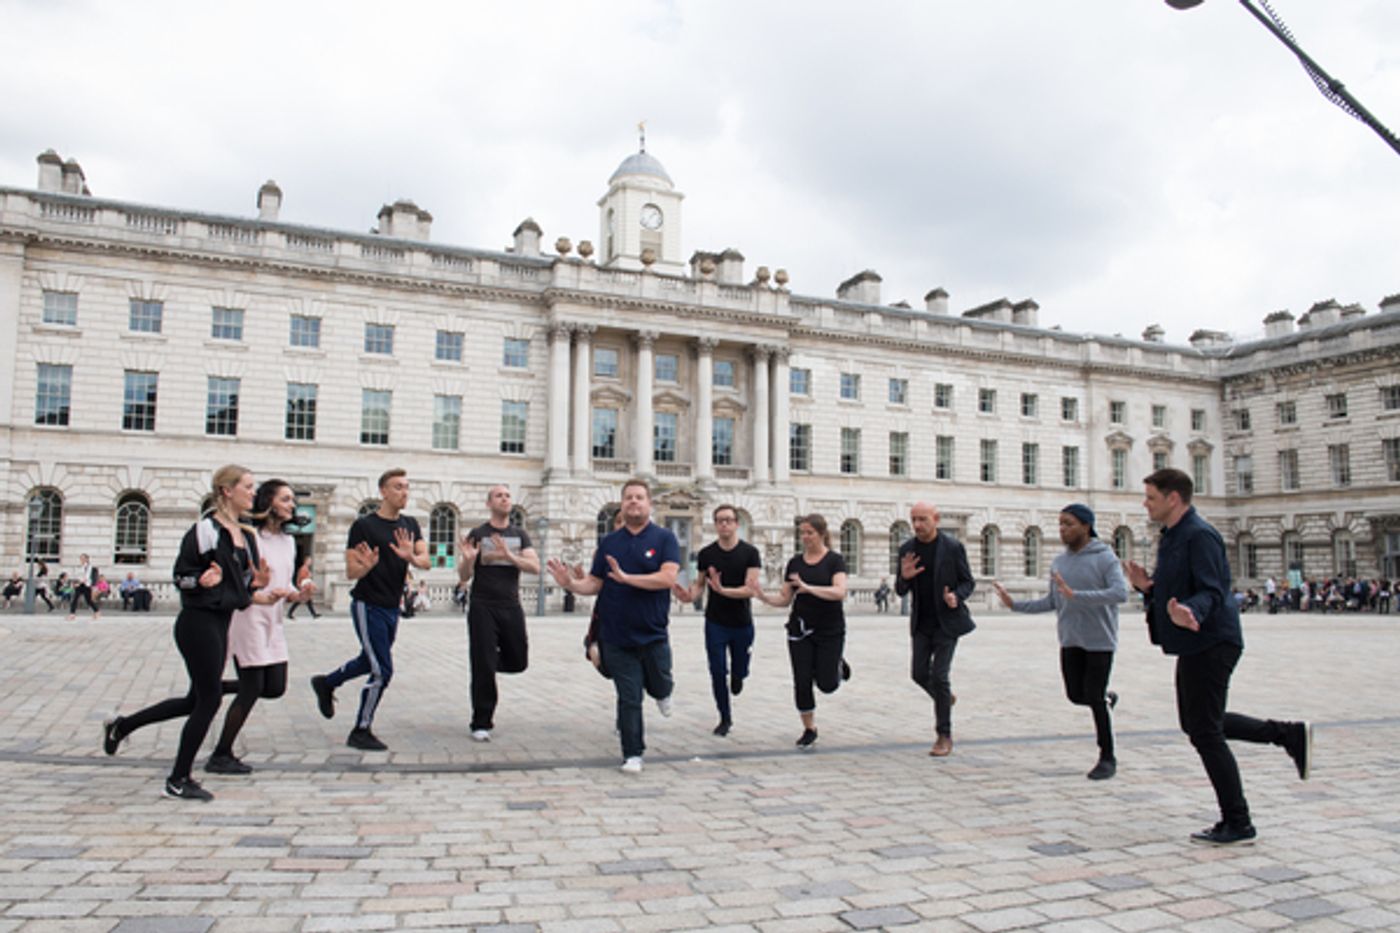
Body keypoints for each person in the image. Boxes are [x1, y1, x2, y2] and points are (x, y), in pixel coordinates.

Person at [1124, 468, 1312, 847]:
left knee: (1204, 730)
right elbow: (1178, 587)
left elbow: (1213, 589)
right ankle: (1287, 734)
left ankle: (1238, 820)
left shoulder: (1199, 535)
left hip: (1212, 640)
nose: (1145, 504)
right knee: (1197, 723)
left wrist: (1192, 611)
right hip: (1195, 641)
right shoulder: (1173, 536)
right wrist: (1149, 588)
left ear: (1173, 498)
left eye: (1151, 497)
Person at [102, 464, 271, 801]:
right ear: (227, 490)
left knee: (194, 700)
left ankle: (122, 726)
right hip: (198, 621)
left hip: (222, 620)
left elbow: (242, 584)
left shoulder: (247, 536)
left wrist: (258, 584)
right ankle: (178, 778)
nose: (253, 493)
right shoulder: (205, 531)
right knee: (207, 700)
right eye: (248, 487)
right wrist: (200, 580)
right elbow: (181, 576)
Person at [547, 479, 679, 774]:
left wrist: (628, 578)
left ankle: (663, 691)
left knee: (661, 683)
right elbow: (595, 583)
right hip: (616, 635)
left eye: (639, 497)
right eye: (629, 497)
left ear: (649, 504)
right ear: (622, 504)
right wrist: (570, 583)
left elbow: (668, 578)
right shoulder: (609, 542)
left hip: (653, 632)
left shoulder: (664, 539)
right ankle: (633, 753)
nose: (634, 502)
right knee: (629, 696)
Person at [993, 504, 1128, 780]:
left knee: (1093, 696)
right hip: (1070, 639)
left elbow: (1119, 593)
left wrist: (1076, 595)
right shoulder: (1060, 562)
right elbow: (1053, 601)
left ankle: (1107, 756)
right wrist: (1014, 604)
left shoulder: (1106, 558)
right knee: (1076, 695)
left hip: (1099, 640)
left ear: (1086, 526)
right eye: (1060, 524)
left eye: (1068, 524)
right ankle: (1105, 699)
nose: (1063, 529)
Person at [311, 468, 429, 751]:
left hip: (392, 606)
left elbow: (425, 562)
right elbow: (352, 571)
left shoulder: (411, 525)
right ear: (383, 492)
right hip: (368, 604)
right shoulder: (364, 526)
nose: (404, 492)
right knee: (382, 671)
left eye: (407, 487)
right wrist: (367, 565)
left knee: (369, 660)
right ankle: (361, 730)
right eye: (398, 487)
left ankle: (327, 682)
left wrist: (408, 555)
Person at [207, 479, 309, 775]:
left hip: (273, 619)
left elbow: (285, 583)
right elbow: (239, 580)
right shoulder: (251, 537)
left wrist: (298, 593)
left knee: (275, 687)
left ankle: (214, 688)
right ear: (269, 503)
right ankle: (221, 753)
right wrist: (260, 592)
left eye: (292, 500)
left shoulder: (289, 542)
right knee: (252, 689)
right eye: (286, 499)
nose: (292, 505)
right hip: (248, 615)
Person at [752, 513, 850, 750]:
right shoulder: (795, 563)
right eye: (802, 533)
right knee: (802, 679)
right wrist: (763, 595)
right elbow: (785, 599)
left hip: (830, 629)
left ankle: (836, 666)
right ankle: (809, 728)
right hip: (800, 629)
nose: (805, 537)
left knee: (827, 685)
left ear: (821, 534)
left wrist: (808, 587)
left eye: (809, 533)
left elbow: (839, 592)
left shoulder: (834, 561)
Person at [672, 504, 762, 737]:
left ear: (736, 524)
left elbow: (750, 589)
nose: (724, 524)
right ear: (715, 524)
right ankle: (725, 717)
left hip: (742, 621)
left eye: (728, 520)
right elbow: (700, 584)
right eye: (720, 520)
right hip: (715, 622)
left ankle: (739, 676)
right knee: (717, 670)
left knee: (739, 668)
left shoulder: (750, 553)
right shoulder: (707, 554)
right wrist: (688, 596)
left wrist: (723, 590)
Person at [458, 484, 539, 742]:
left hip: (511, 604)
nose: (505, 499)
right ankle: (481, 721)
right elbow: (464, 577)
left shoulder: (520, 534)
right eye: (499, 496)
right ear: (489, 503)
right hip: (482, 605)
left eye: (507, 495)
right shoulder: (478, 533)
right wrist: (469, 559)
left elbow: (534, 567)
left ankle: (488, 663)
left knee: (519, 660)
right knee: (482, 666)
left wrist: (508, 556)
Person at [894, 502, 975, 757]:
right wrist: (905, 577)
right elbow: (900, 589)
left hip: (946, 622)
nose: (917, 525)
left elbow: (967, 582)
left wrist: (956, 597)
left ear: (935, 519)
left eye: (922, 519)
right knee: (918, 673)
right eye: (914, 520)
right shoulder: (907, 549)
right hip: (922, 622)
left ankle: (944, 735)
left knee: (940, 676)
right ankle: (944, 698)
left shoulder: (952, 548)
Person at [66, 553, 101, 620]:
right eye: (81, 558)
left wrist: (93, 586)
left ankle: (97, 611)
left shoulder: (92, 568)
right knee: (75, 599)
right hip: (80, 585)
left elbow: (92, 578)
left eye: (83, 558)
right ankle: (72, 614)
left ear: (87, 559)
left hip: (87, 585)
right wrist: (75, 583)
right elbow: (77, 576)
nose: (81, 560)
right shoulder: (80, 567)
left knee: (89, 600)